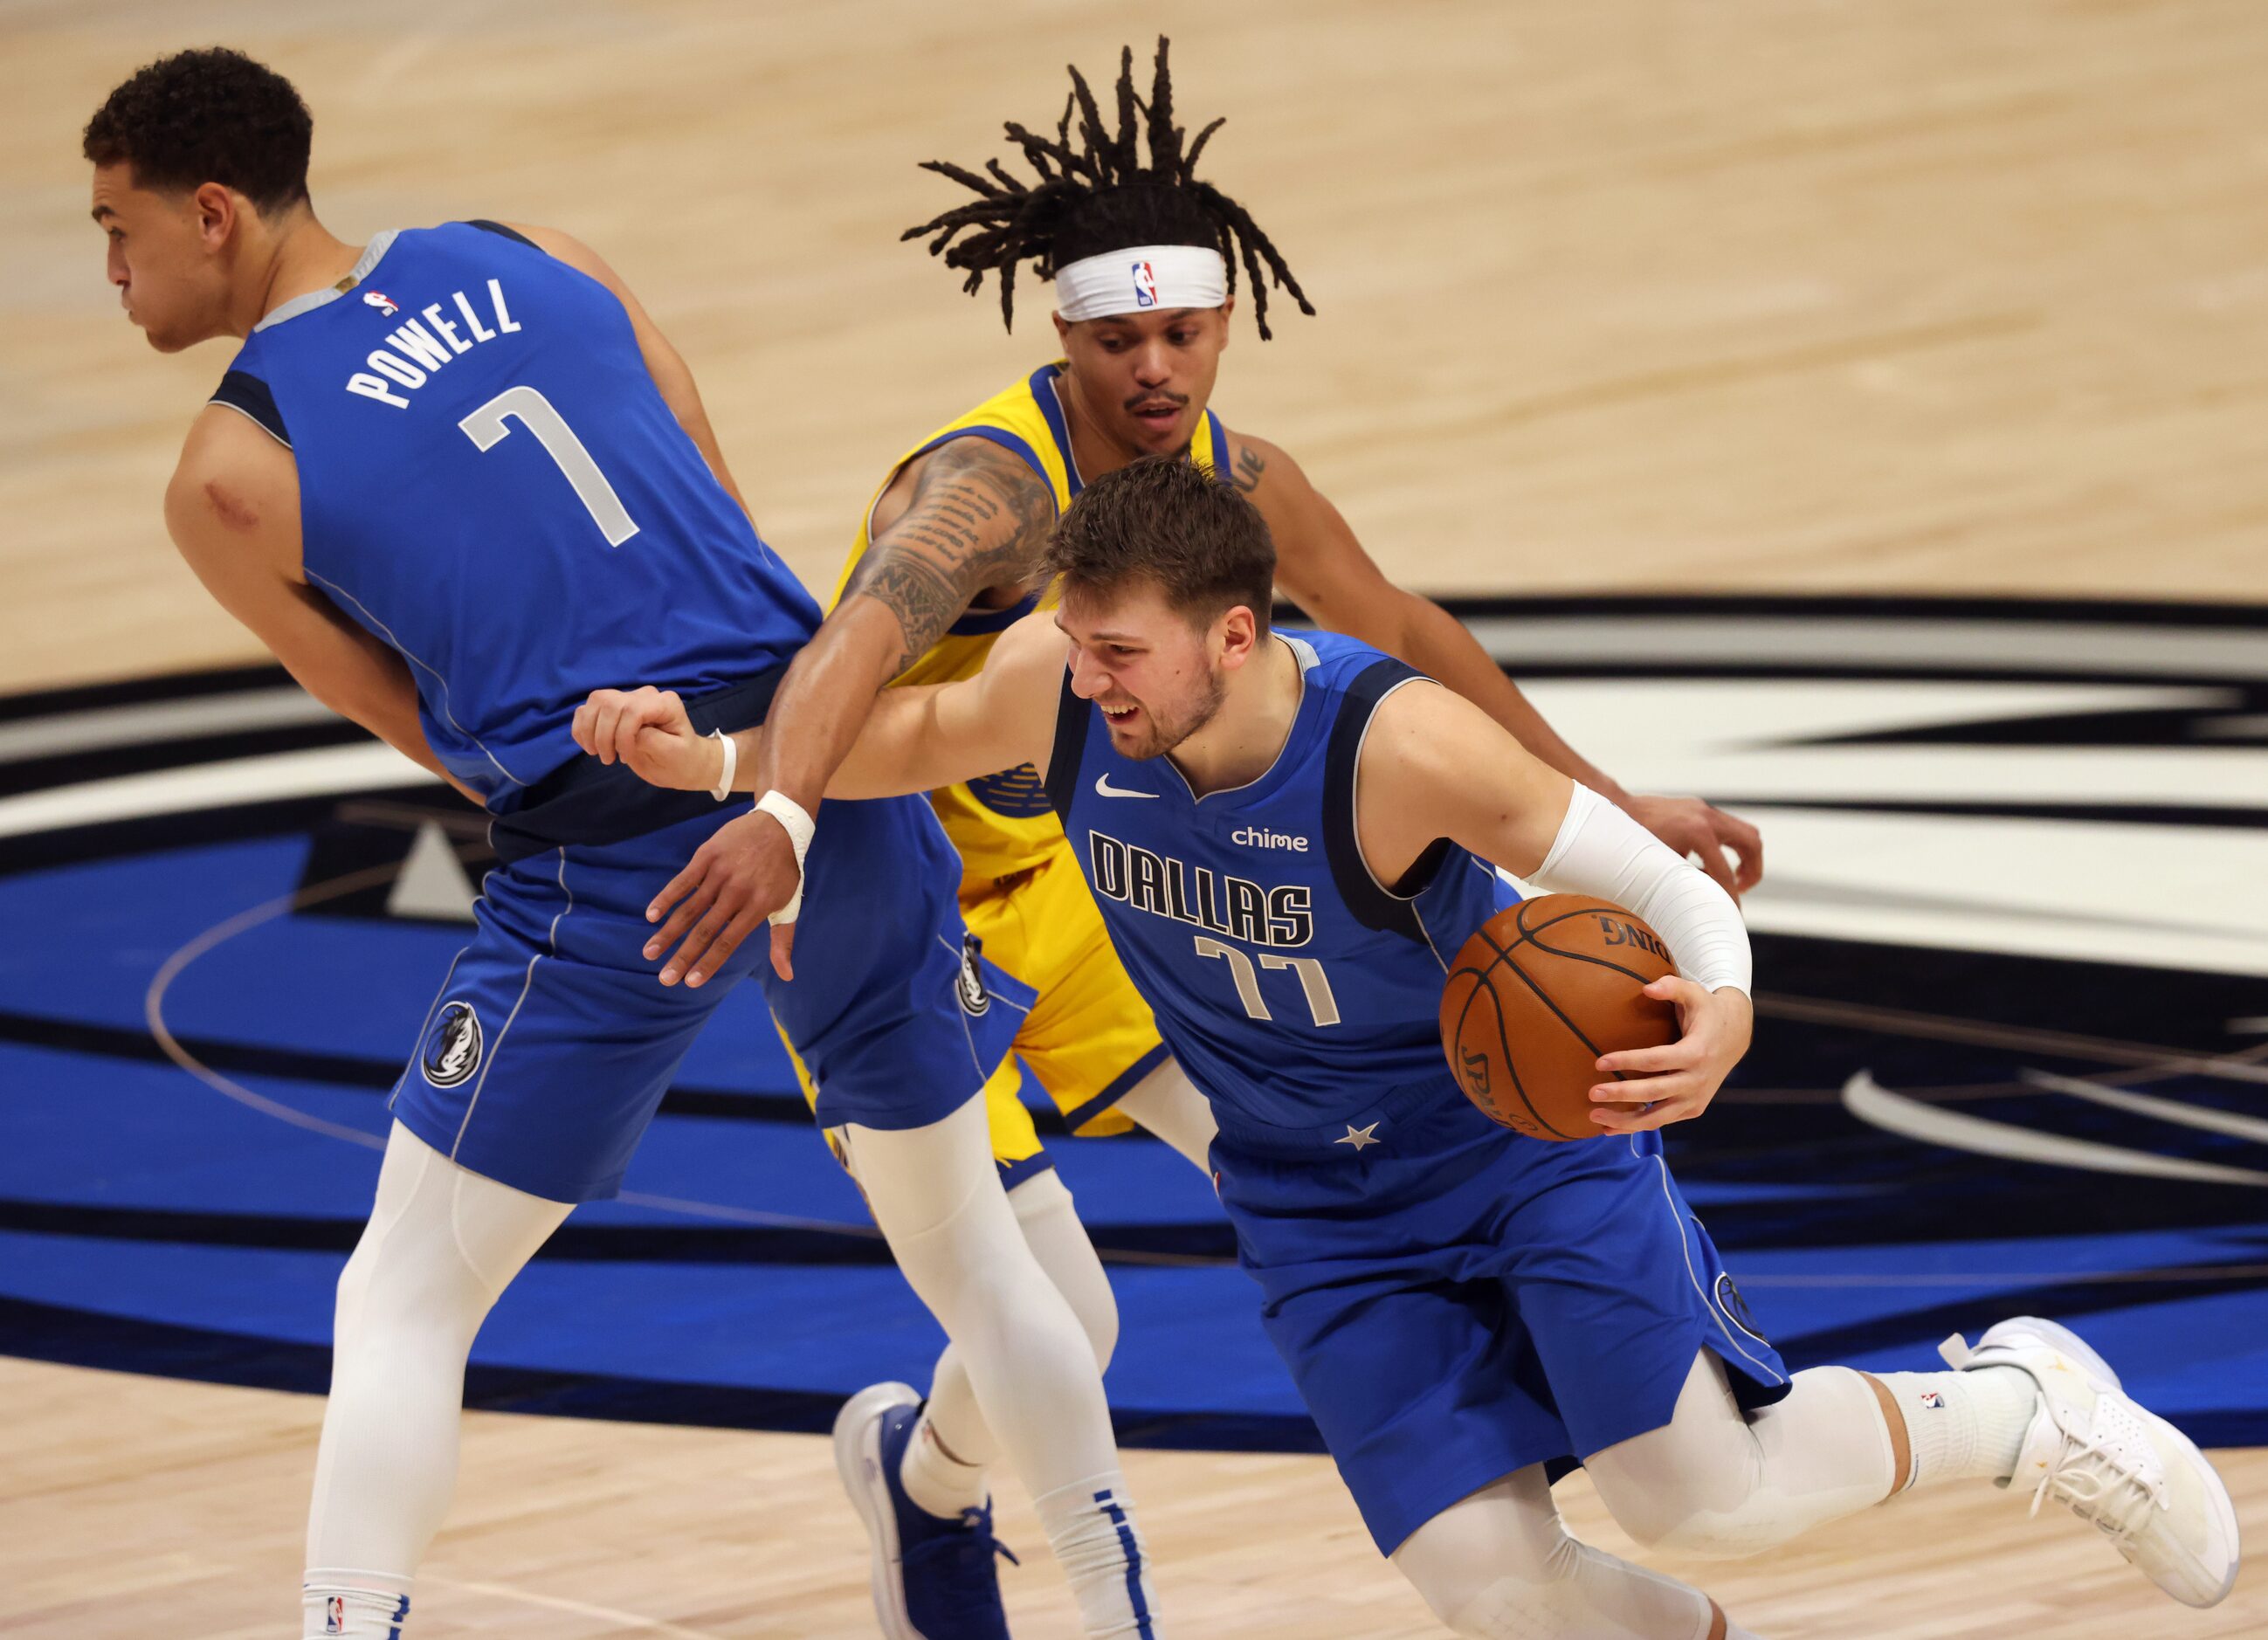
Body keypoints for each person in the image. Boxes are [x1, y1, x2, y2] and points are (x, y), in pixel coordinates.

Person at [588, 454, 2238, 1637]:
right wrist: (718, 761)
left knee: (1694, 1490)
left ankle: (2023, 1400)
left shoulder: (1397, 748)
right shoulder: (1066, 686)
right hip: (1315, 1203)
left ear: (1233, 636)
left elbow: (1662, 886)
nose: (1086, 680)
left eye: (1121, 651)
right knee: (1496, 1592)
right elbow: (922, 734)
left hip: (1513, 1152)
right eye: (1078, 644)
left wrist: (1720, 1017)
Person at [586, 39, 1754, 1630]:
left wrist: (1606, 806)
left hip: (1095, 891)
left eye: (1184, 331)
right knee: (1060, 1317)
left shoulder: (1237, 484)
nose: (1156, 367)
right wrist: (777, 805)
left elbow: (1394, 619)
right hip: (885, 880)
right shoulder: (988, 486)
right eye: (1118, 334)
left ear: (1226, 322)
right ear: (1058, 332)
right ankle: (933, 1491)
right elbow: (856, 645)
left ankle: (1546, 1438)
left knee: (1302, 1152)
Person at [85, 48, 1159, 1639]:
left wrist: (614, 789)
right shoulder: (538, 251)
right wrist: (776, 750)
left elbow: (411, 716)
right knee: (975, 1255)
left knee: (402, 1296)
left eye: (119, 227)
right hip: (826, 762)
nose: (108, 265)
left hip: (605, 835)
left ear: (218, 213)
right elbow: (706, 478)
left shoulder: (229, 472)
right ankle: (1121, 1613)